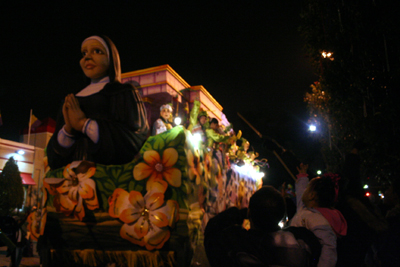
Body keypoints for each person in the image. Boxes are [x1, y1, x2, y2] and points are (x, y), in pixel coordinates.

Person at [46, 35, 149, 169]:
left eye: (97, 51)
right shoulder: (72, 100)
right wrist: (68, 130)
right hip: (72, 181)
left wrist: (84, 124)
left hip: (108, 179)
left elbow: (134, 139)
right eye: (84, 53)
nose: (87, 57)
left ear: (111, 58)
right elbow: (54, 159)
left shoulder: (124, 92)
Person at [205, 186, 321, 267]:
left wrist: (242, 213)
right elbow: (312, 242)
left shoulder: (235, 244)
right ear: (281, 217)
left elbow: (212, 230)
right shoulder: (302, 246)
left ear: (249, 213)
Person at [290, 163, 347, 267]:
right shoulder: (306, 211)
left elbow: (329, 247)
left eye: (307, 189)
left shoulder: (316, 219)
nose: (304, 191)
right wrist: (303, 177)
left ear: (312, 195)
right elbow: (301, 196)